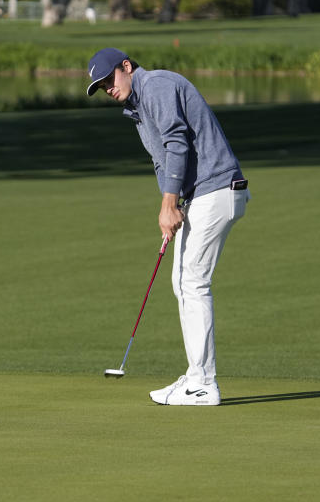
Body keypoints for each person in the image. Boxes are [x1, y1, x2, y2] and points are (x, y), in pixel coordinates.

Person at [87, 48, 250, 406]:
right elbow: (162, 160)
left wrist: (168, 203)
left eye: (109, 80)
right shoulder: (138, 107)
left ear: (126, 67)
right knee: (182, 279)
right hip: (204, 194)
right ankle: (196, 376)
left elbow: (177, 143)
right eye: (100, 88)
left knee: (192, 282)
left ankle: (203, 383)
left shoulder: (157, 85)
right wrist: (171, 206)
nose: (108, 90)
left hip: (216, 188)